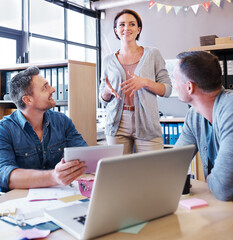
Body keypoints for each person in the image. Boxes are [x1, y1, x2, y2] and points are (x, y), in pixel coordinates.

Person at [0, 66, 87, 192]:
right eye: (45, 87)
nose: (53, 89)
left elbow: (85, 155)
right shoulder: (4, 130)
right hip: (22, 201)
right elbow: (5, 175)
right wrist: (53, 177)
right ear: (28, 99)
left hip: (60, 195)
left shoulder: (62, 121)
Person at [99, 9, 172, 154]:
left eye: (132, 24)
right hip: (116, 123)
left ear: (138, 29)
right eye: (121, 25)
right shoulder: (107, 59)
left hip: (147, 123)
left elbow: (168, 89)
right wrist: (106, 92)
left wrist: (145, 82)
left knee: (151, 171)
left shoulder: (153, 54)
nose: (126, 28)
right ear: (116, 30)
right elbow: (103, 98)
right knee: (119, 172)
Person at [173, 51, 233, 201]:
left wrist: (212, 180)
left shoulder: (230, 109)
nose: (173, 85)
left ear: (189, 87)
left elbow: (223, 188)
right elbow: (172, 164)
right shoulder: (194, 116)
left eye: (175, 79)